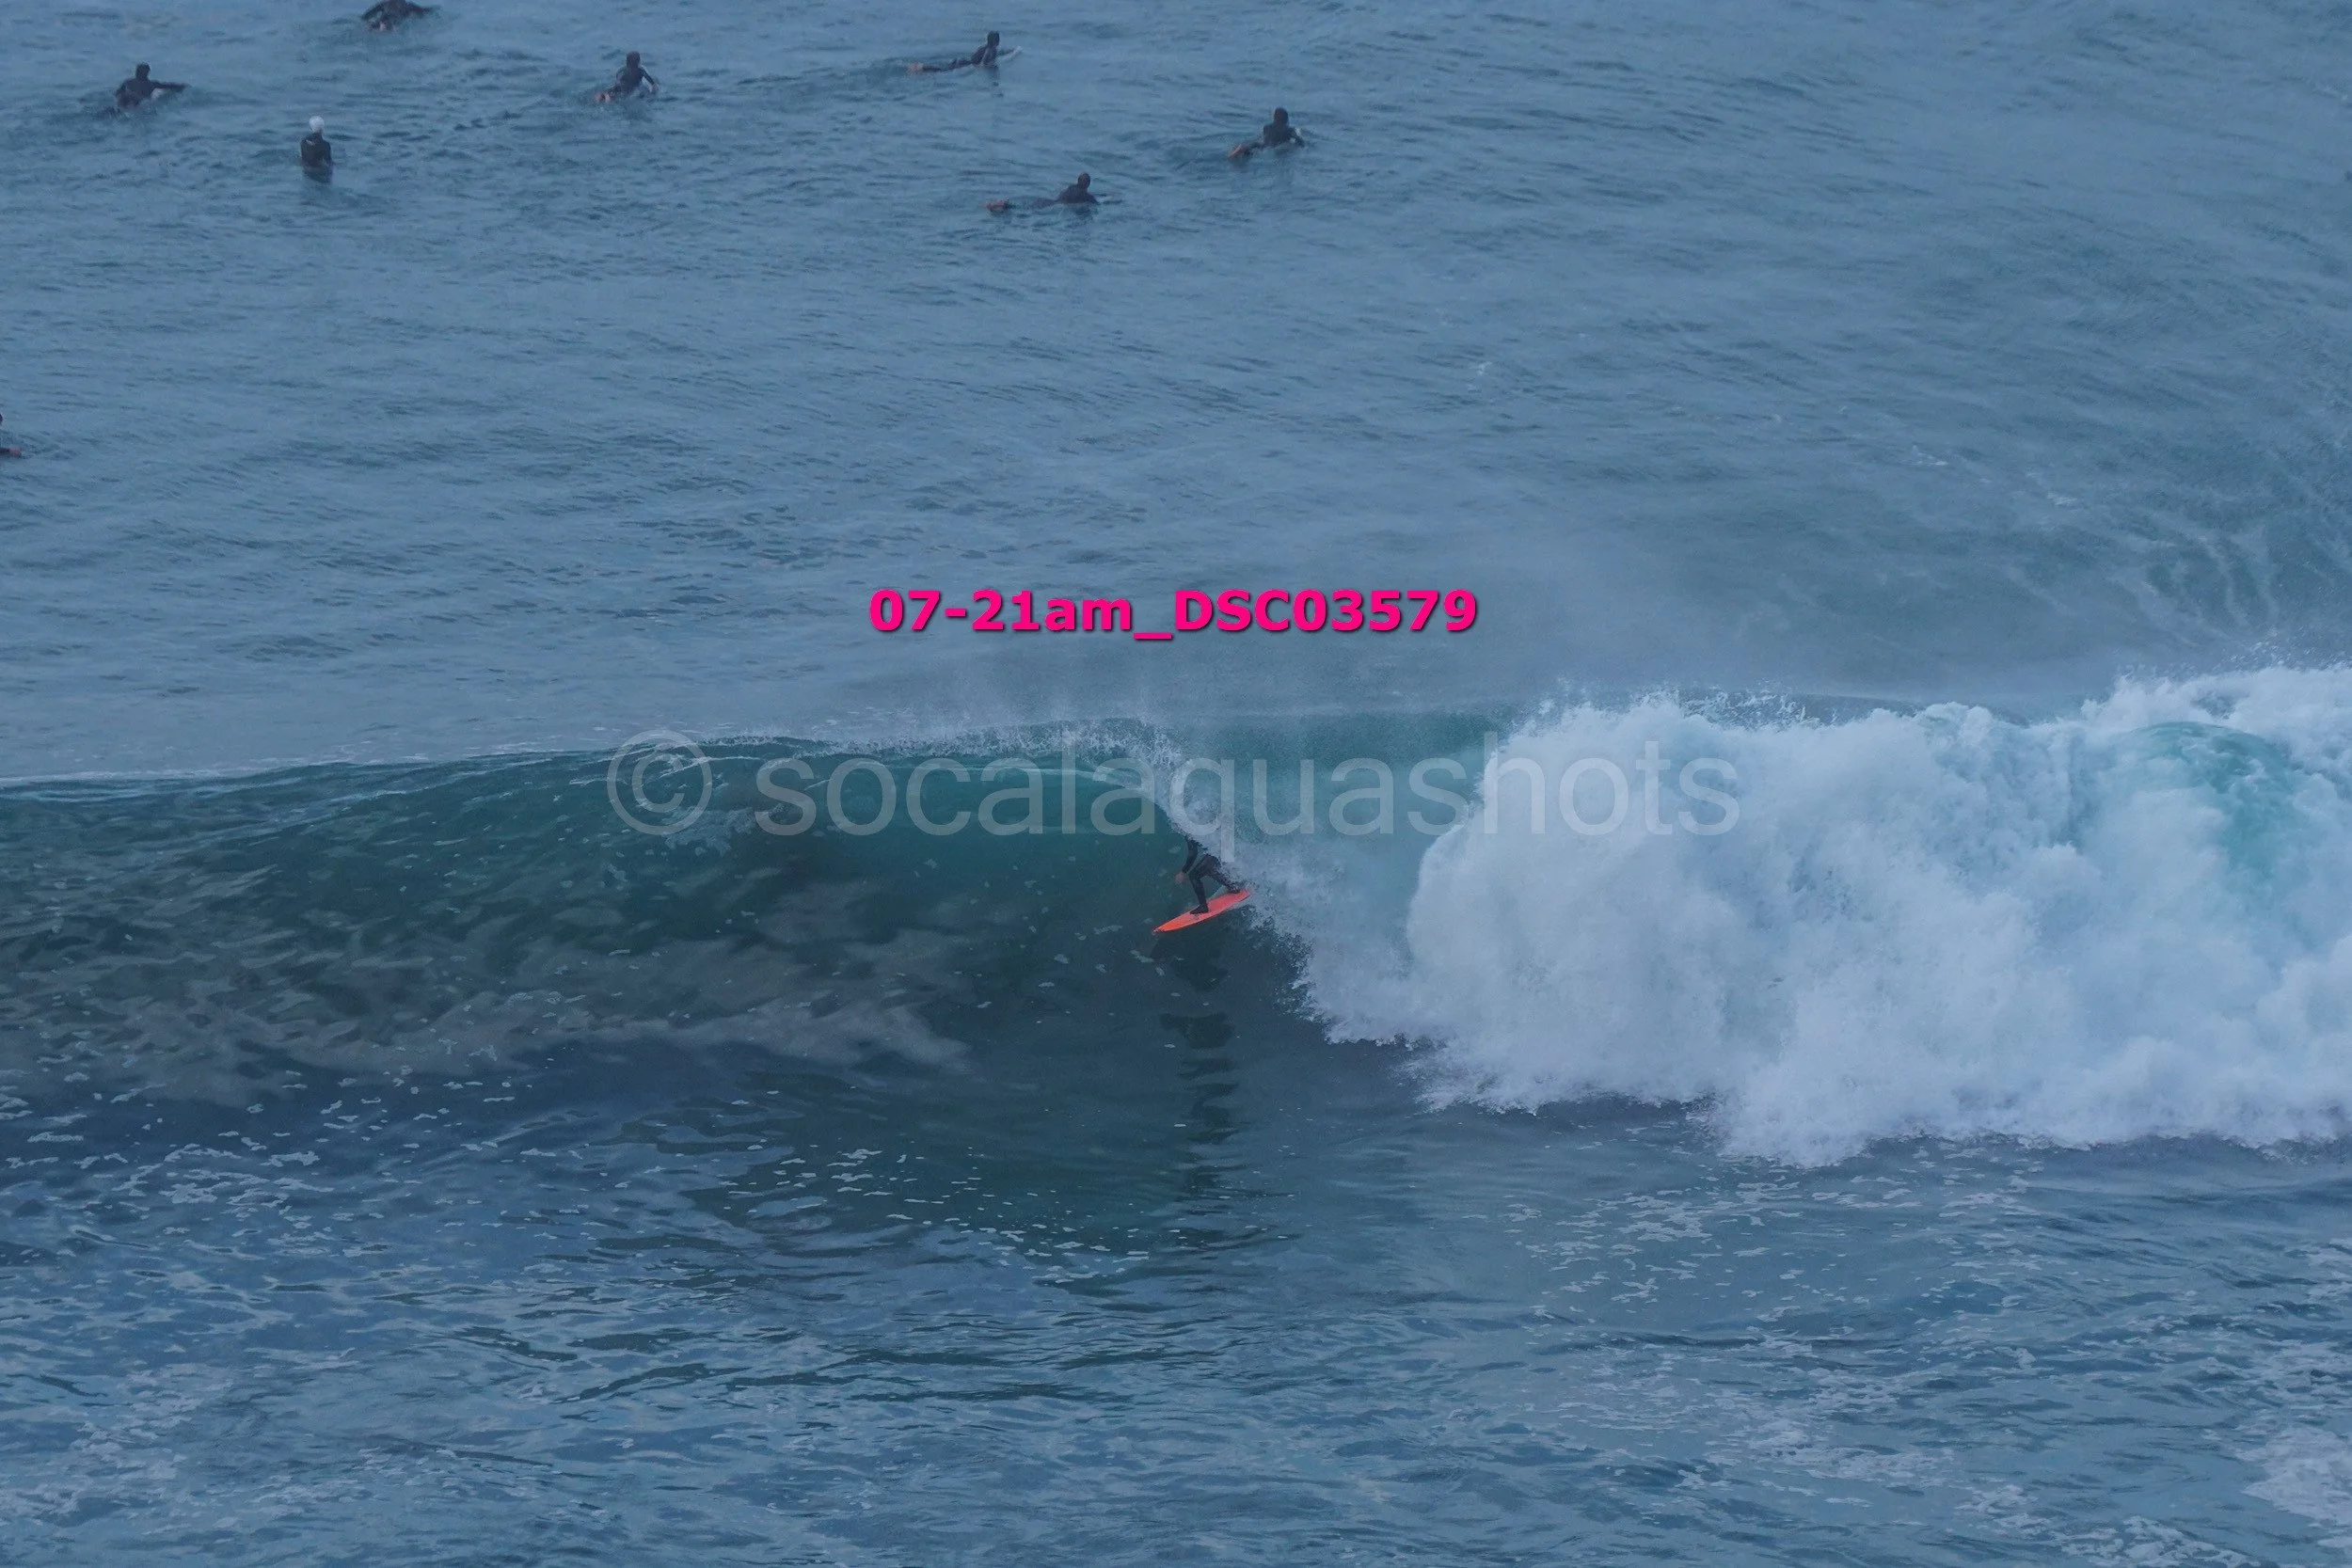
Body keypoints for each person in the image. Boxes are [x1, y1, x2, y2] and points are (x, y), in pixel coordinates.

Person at [1175, 839, 1244, 916]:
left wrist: (1183, 872)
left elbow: (1193, 853)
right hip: (1226, 844)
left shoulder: (1187, 829)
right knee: (1209, 869)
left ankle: (1203, 907)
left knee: (1194, 876)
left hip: (1218, 849)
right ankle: (1232, 886)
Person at [985, 171, 1098, 213]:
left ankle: (1005, 205)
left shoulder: (1070, 187)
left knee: (1028, 207)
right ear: (1088, 184)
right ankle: (1006, 206)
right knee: (1029, 210)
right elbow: (1095, 203)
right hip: (1057, 207)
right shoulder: (1085, 195)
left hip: (1052, 201)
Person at [1230, 107, 1304, 159]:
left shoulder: (1267, 127)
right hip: (1276, 146)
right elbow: (1300, 142)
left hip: (1264, 144)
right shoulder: (1290, 129)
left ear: (1274, 118)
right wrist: (1299, 141)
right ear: (1286, 119)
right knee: (1284, 152)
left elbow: (1262, 137)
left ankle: (1243, 149)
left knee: (1256, 145)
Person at [912, 31, 1001, 72]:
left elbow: (975, 56)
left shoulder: (983, 47)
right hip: (966, 64)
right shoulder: (991, 50)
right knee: (943, 70)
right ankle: (922, 67)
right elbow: (982, 64)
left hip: (962, 60)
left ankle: (921, 67)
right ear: (996, 41)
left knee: (944, 67)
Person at [114, 64, 185, 112]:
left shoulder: (128, 82)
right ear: (148, 73)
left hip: (125, 98)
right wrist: (181, 86)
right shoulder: (152, 84)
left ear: (136, 72)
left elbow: (117, 93)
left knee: (121, 107)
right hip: (138, 100)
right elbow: (169, 86)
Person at [360, 0, 433, 30]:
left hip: (381, 20)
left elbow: (365, 16)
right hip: (393, 23)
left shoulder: (383, 4)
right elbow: (424, 12)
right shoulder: (409, 6)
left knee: (372, 27)